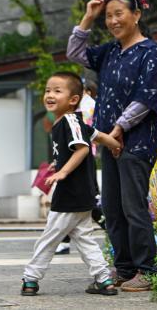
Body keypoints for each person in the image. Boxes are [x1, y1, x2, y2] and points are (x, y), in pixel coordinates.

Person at [66, 0, 157, 292]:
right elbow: (75, 53)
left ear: (136, 15)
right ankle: (123, 267)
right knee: (111, 206)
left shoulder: (150, 52)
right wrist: (87, 17)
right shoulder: (109, 51)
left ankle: (147, 269)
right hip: (108, 142)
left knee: (134, 206)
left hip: (136, 142)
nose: (112, 21)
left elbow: (146, 98)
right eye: (108, 16)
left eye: (118, 13)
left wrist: (119, 129)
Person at [21, 71, 121, 297]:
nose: (50, 94)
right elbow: (98, 136)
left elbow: (83, 148)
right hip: (82, 195)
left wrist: (63, 172)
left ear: (73, 100)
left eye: (57, 91)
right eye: (48, 90)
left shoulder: (70, 120)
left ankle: (31, 279)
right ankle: (104, 279)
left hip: (70, 194)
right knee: (85, 240)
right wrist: (115, 145)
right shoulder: (64, 124)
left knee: (49, 238)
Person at [56, 79, 103, 256]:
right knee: (81, 201)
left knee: (87, 200)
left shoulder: (86, 106)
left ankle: (110, 229)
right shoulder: (79, 106)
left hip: (81, 156)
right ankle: (64, 241)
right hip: (79, 155)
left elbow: (86, 134)